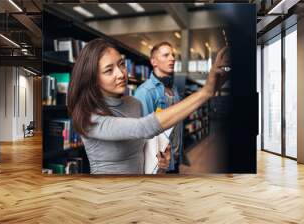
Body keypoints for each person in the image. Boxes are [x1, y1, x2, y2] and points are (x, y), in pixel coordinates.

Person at [67, 38, 230, 174]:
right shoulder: (89, 117)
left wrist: (160, 166)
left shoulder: (133, 104)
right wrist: (206, 92)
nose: (121, 74)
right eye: (109, 70)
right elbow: (144, 127)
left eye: (121, 64)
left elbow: (144, 152)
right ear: (93, 79)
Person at [134, 41, 182, 173]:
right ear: (154, 62)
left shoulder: (174, 89)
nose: (172, 58)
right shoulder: (145, 92)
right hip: (159, 166)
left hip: (174, 160)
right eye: (166, 55)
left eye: (173, 55)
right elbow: (144, 135)